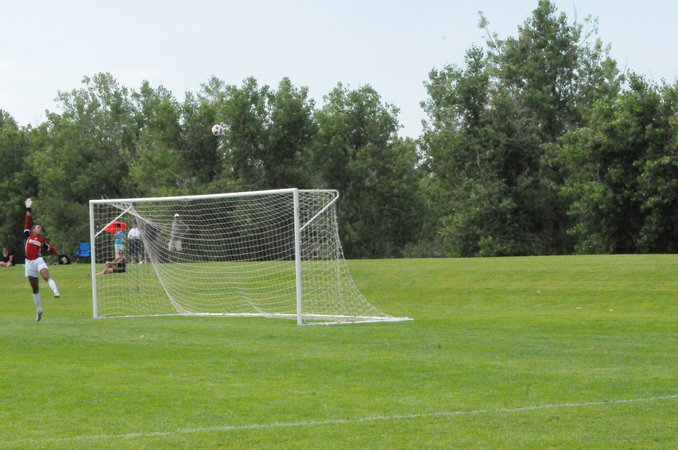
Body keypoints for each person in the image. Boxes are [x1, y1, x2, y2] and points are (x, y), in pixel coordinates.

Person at [23, 198, 61, 322]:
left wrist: (60, 255)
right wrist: (28, 209)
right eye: (38, 227)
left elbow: (51, 248)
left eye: (40, 228)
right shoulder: (27, 236)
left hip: (38, 261)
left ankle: (55, 291)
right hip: (29, 263)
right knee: (35, 288)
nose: (40, 229)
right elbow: (27, 221)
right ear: (33, 230)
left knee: (45, 276)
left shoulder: (42, 240)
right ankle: (39, 310)